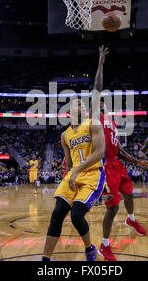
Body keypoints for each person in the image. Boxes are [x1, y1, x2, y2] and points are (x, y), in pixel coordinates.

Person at [92, 45, 148, 261]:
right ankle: (104, 246)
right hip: (105, 168)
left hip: (118, 164)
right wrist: (100, 63)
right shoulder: (96, 119)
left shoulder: (112, 123)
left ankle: (132, 219)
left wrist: (137, 161)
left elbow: (120, 149)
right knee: (113, 208)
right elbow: (97, 88)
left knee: (129, 192)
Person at [42, 81, 105, 261]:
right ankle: (45, 258)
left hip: (93, 174)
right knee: (57, 215)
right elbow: (69, 163)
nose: (82, 105)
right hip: (74, 175)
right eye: (78, 103)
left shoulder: (93, 124)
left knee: (77, 216)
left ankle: (89, 248)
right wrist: (68, 176)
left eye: (83, 104)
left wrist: (76, 170)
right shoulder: (65, 135)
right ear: (69, 111)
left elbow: (100, 153)